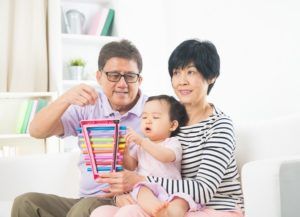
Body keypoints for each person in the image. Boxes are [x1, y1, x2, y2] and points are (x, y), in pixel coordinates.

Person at [94, 39, 244, 217]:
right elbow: (145, 164)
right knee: (102, 213)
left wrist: (141, 181)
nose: (182, 81)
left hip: (214, 208)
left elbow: (204, 190)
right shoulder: (168, 122)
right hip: (168, 201)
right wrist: (126, 189)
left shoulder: (219, 126)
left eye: (190, 72)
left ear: (211, 77)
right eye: (176, 73)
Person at [11, 39, 149, 217]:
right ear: (99, 77)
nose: (122, 84)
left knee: (82, 210)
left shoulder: (155, 110)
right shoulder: (88, 105)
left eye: (130, 76)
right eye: (114, 75)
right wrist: (65, 98)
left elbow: (166, 167)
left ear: (140, 80)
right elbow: (36, 131)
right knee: (25, 203)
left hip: (128, 199)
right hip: (85, 199)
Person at [91, 94, 199, 217]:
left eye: (155, 117)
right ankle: (156, 210)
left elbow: (166, 157)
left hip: (170, 190)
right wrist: (125, 152)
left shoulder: (172, 143)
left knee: (182, 201)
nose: (148, 120)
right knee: (141, 189)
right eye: (144, 116)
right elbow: (131, 166)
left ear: (172, 125)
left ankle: (169, 214)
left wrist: (142, 142)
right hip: (147, 188)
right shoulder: (140, 146)